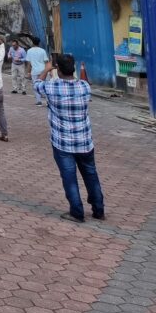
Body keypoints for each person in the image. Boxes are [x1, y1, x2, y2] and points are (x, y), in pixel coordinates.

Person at [35, 54, 105, 222]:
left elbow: (37, 84)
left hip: (63, 142)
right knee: (91, 174)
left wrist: (46, 68)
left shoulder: (52, 88)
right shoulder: (85, 87)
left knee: (69, 177)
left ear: (57, 69)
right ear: (73, 68)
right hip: (85, 141)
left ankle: (77, 211)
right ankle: (99, 209)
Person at [25, 39, 50, 105]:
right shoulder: (42, 50)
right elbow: (46, 61)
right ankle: (48, 101)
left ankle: (39, 101)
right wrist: (48, 70)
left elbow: (29, 63)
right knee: (45, 86)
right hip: (43, 70)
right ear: (39, 43)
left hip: (34, 71)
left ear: (32, 42)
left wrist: (28, 72)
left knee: (35, 86)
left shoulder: (29, 51)